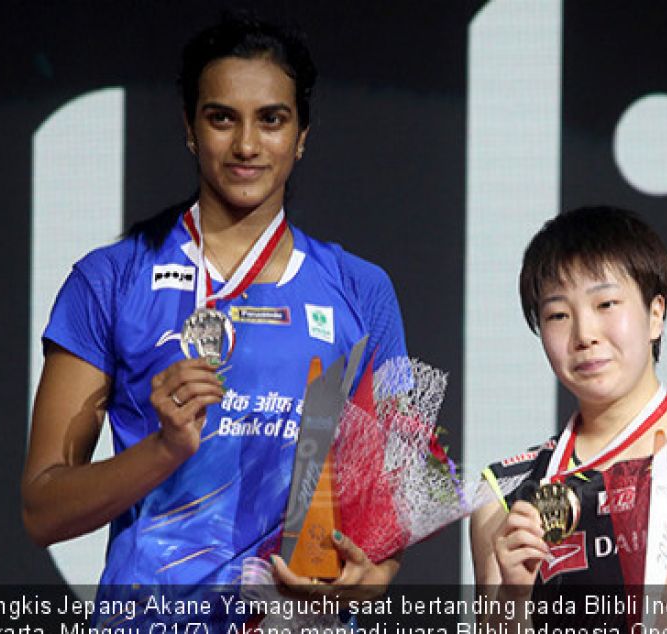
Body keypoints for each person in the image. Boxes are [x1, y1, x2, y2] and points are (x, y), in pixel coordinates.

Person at [21, 15, 405, 624]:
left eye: (272, 119)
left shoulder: (362, 291)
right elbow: (43, 510)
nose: (246, 144)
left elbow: (383, 515)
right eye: (221, 117)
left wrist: (366, 579)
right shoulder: (111, 280)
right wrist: (164, 449)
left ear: (302, 134)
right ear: (189, 127)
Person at [469, 206, 667, 632]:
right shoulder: (505, 497)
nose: (584, 334)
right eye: (557, 315)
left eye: (606, 303)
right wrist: (512, 603)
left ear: (655, 314)